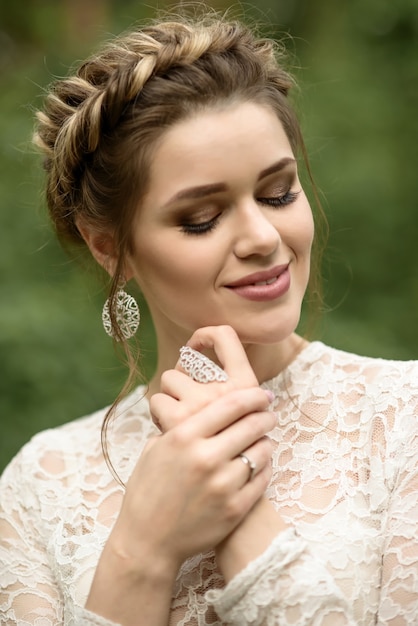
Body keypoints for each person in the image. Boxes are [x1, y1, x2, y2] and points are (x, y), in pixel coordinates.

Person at [1, 9, 417, 626]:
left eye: (279, 193)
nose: (261, 237)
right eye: (201, 219)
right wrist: (140, 550)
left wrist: (237, 506)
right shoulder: (40, 484)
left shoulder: (403, 418)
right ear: (109, 247)